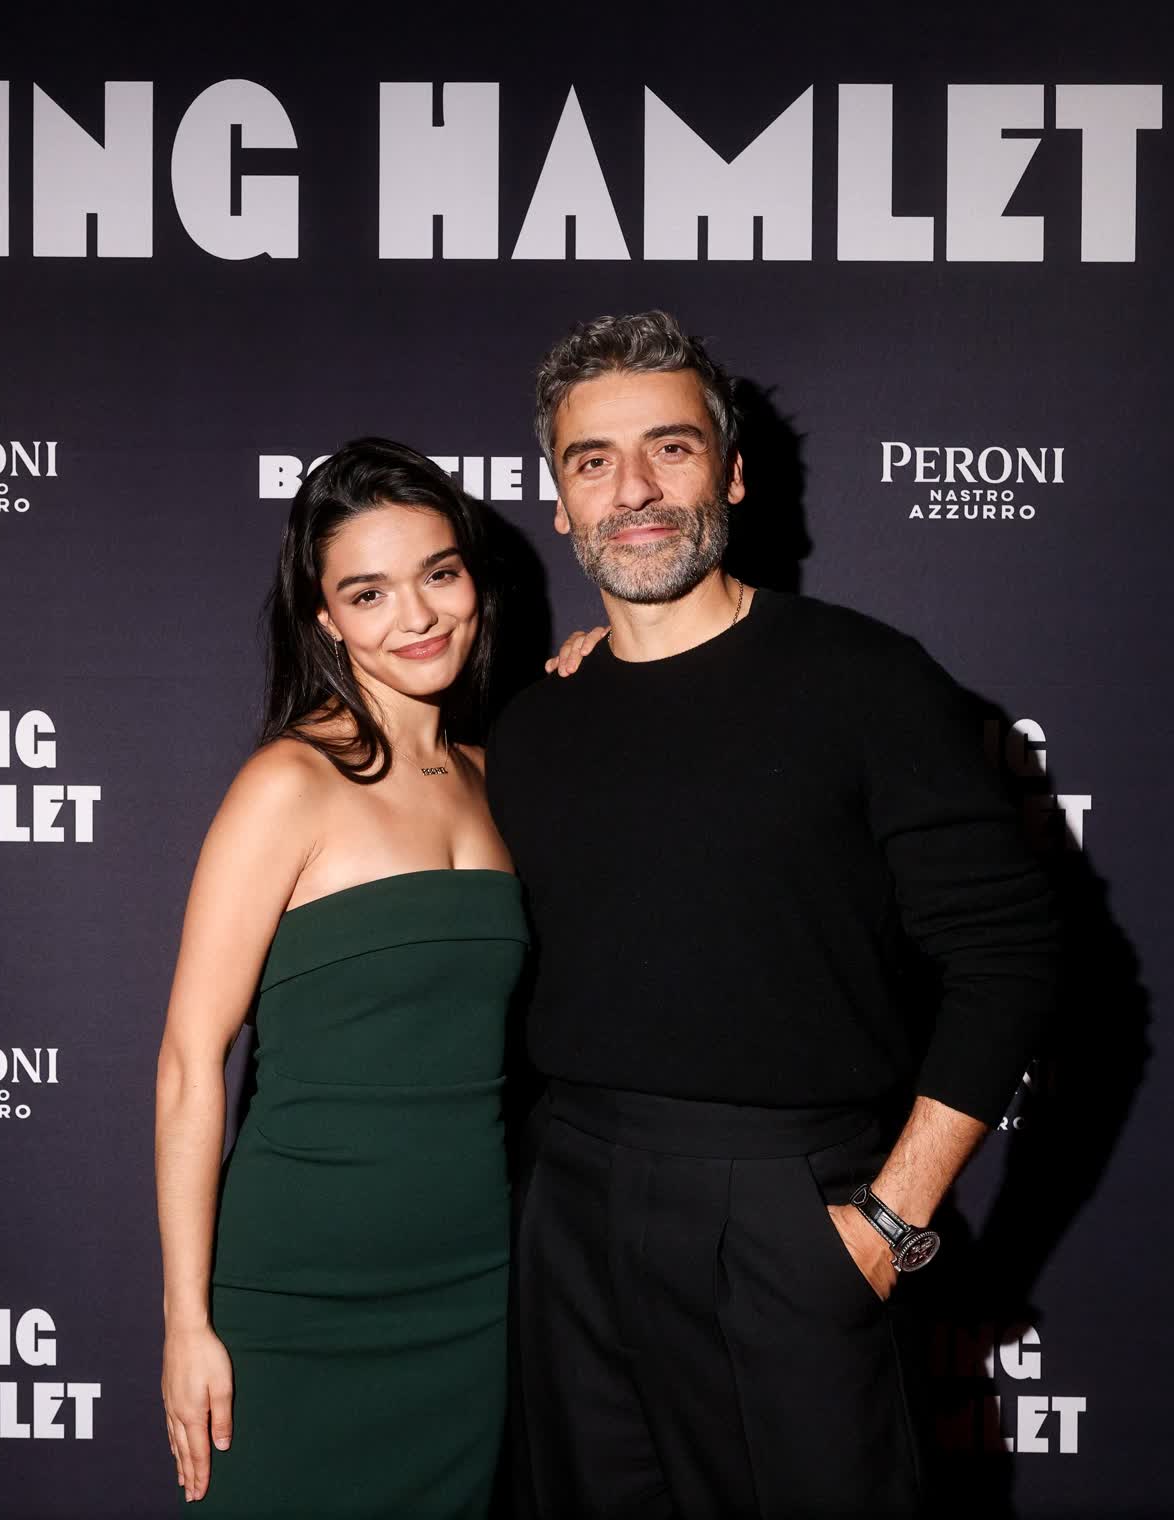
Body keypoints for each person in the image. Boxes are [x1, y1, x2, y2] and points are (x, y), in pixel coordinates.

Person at [486, 312, 1060, 1518]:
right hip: (568, 1204)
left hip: (788, 1212)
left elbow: (1009, 954)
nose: (633, 490)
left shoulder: (866, 678)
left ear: (732, 473)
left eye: (670, 448)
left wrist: (889, 1218)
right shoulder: (536, 719)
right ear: (561, 503)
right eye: (593, 460)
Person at [155, 439, 525, 1516]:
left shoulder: (502, 778)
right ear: (325, 619)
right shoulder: (289, 782)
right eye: (369, 592)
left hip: (472, 1286)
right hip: (297, 1291)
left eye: (438, 573)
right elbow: (189, 1064)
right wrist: (187, 1322)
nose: (417, 615)